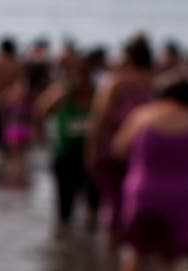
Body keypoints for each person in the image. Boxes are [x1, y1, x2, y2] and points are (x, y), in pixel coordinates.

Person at [113, 77, 188, 271]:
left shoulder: (142, 116)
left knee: (135, 252)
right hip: (181, 198)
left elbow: (119, 148)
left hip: (143, 192)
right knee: (169, 258)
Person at [88, 36, 157, 244]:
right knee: (136, 206)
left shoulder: (116, 82)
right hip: (142, 152)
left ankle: (112, 257)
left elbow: (99, 118)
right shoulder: (153, 82)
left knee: (112, 206)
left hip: (112, 150)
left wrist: (90, 149)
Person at [37, 56, 97, 227]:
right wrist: (44, 140)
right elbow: (39, 112)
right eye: (78, 76)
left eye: (85, 76)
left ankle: (86, 244)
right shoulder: (61, 94)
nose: (82, 81)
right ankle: (64, 244)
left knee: (93, 203)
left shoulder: (98, 96)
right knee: (65, 206)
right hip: (65, 154)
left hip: (90, 155)